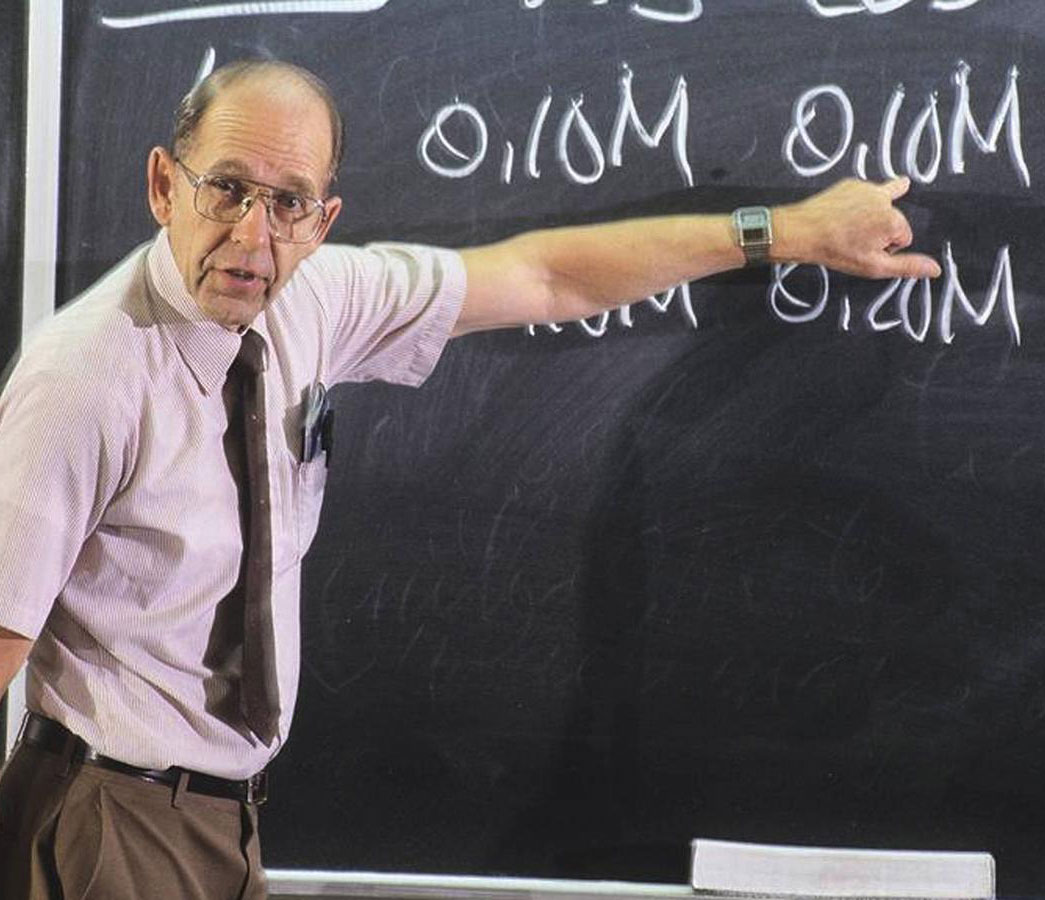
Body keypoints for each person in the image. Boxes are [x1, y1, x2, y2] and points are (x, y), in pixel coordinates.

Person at [0, 59, 940, 900]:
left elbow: (543, 279)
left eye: (288, 203)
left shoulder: (311, 299)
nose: (254, 233)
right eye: (228, 189)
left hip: (221, 821)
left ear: (324, 221)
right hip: (98, 821)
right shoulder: (86, 380)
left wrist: (785, 231)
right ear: (165, 185)